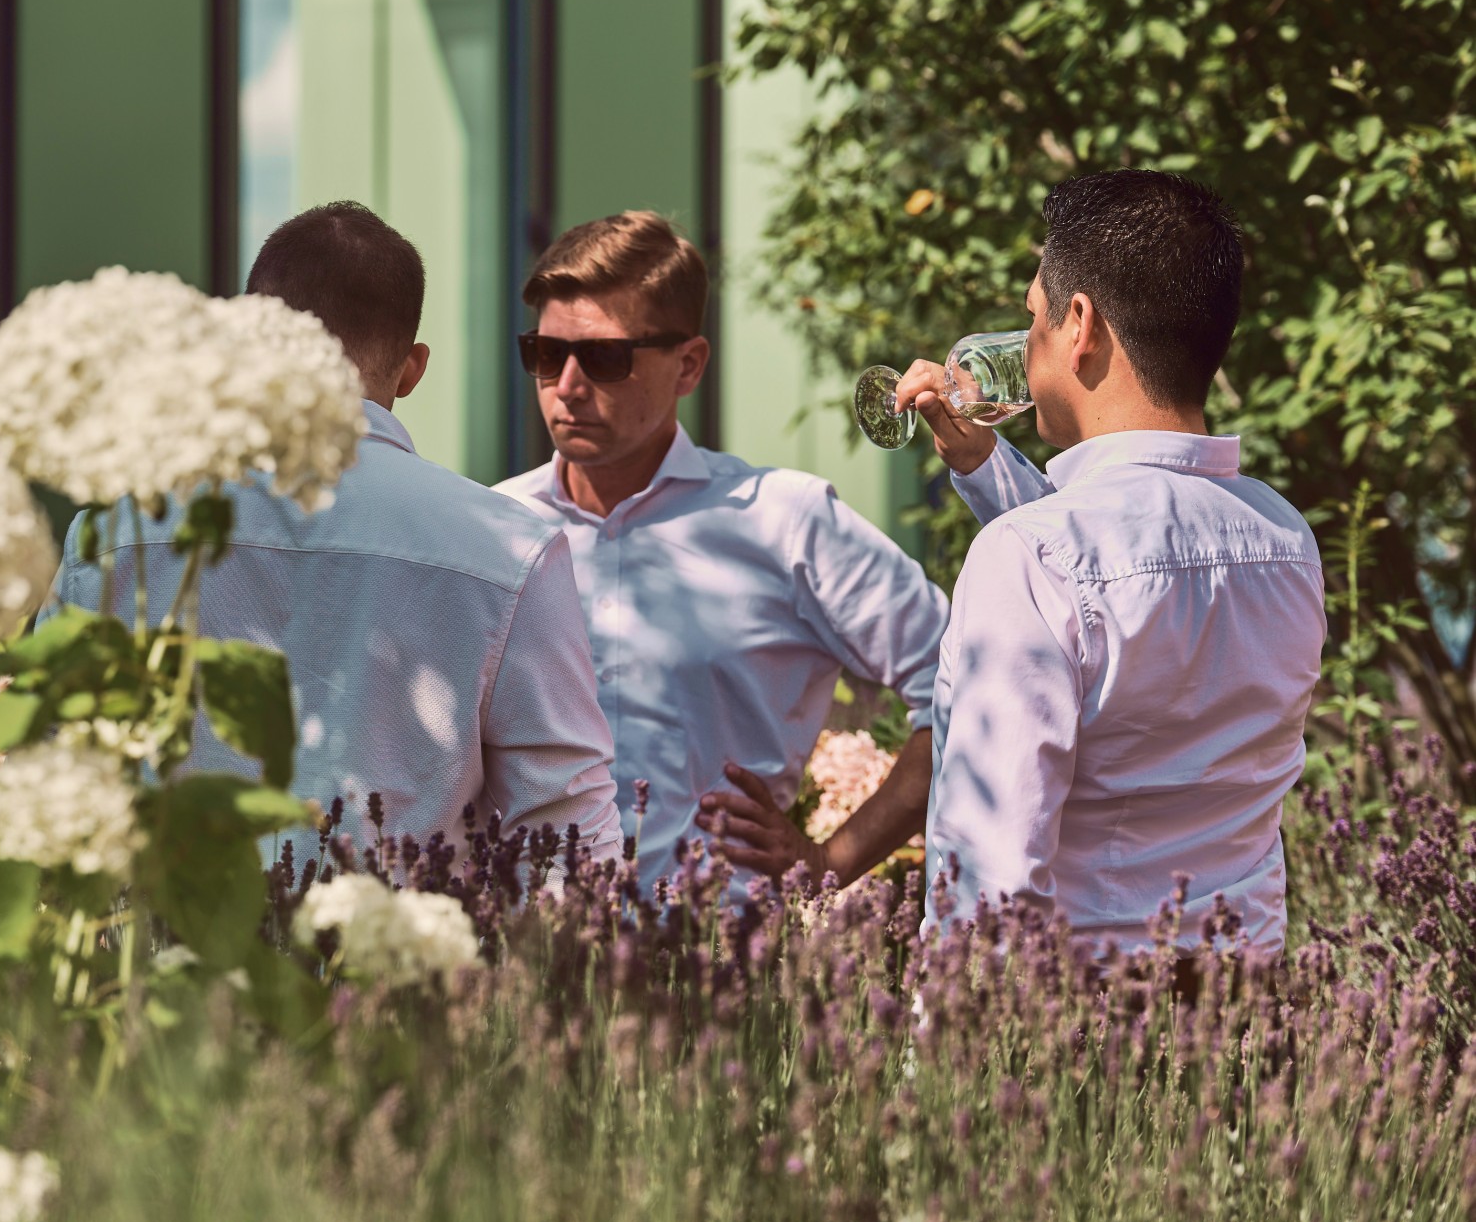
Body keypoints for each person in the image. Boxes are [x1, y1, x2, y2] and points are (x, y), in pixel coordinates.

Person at [50, 202, 624, 867]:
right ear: (412, 368)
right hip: (401, 933)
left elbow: (51, 768)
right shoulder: (511, 550)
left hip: (155, 929)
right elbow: (569, 833)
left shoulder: (117, 534)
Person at [894, 170, 1325, 952]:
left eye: (1034, 317)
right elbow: (1118, 564)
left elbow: (990, 893)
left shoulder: (1028, 559)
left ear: (1080, 324)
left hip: (1085, 1016)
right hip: (1245, 1004)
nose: (1026, 343)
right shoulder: (1284, 537)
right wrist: (986, 467)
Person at [495, 212, 946, 892]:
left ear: (689, 365)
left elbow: (967, 684)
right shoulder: (496, 527)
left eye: (605, 357)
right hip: (522, 943)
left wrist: (832, 859)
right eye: (546, 354)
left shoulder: (786, 523)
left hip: (719, 944)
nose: (567, 385)